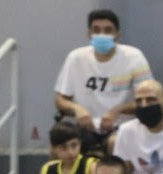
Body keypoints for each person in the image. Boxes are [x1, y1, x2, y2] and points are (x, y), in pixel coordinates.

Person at [54, 9, 152, 152]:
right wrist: (77, 109)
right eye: (96, 30)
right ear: (89, 34)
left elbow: (149, 99)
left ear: (117, 35)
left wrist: (117, 110)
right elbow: (60, 100)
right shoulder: (75, 58)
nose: (102, 34)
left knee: (115, 143)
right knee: (61, 144)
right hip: (85, 127)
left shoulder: (134, 57)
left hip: (122, 127)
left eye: (108, 30)